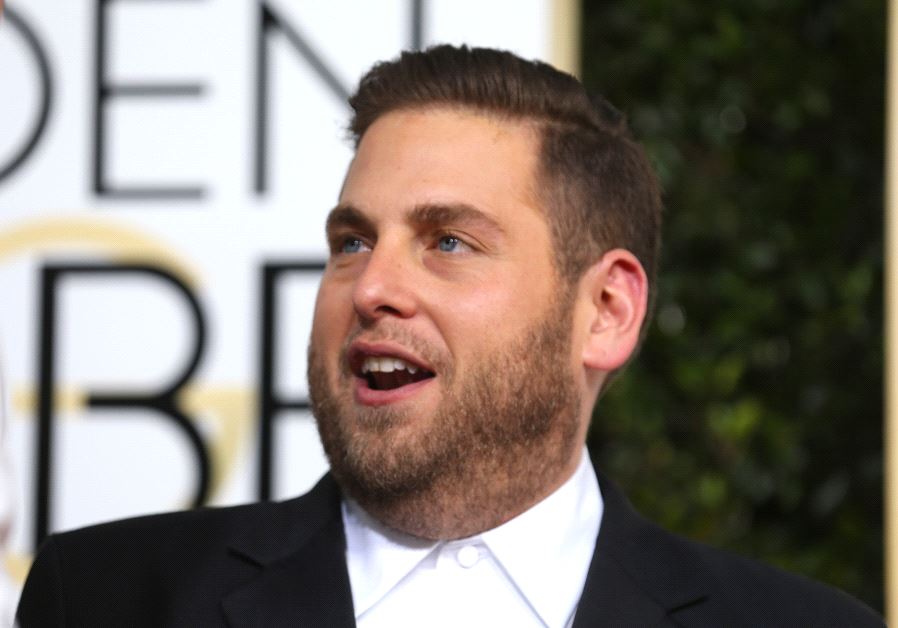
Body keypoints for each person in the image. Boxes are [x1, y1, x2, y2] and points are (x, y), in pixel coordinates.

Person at [17, 44, 883, 627]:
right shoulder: (105, 600)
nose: (373, 288)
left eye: (449, 243)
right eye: (352, 242)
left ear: (606, 310)